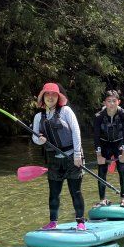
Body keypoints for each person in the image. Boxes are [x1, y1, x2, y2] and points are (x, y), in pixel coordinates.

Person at [32, 82, 86, 231]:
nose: (50, 97)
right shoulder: (38, 116)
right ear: (43, 97)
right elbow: (34, 139)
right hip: (54, 160)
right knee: (54, 194)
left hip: (71, 157)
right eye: (47, 94)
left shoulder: (66, 111)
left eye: (53, 94)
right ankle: (53, 222)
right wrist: (39, 140)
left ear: (58, 97)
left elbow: (76, 132)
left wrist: (77, 155)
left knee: (75, 191)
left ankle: (80, 222)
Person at [93, 90, 124, 208]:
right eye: (109, 101)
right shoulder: (98, 116)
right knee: (101, 171)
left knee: (122, 169)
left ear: (118, 102)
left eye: (114, 101)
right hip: (104, 144)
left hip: (119, 143)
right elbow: (96, 137)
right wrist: (99, 155)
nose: (112, 104)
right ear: (104, 102)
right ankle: (102, 199)